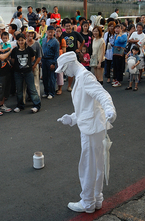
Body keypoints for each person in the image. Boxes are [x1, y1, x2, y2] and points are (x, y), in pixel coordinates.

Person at [55, 51, 117, 214]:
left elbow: (102, 95)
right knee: (96, 164)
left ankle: (88, 202)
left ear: (68, 65)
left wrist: (110, 109)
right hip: (93, 126)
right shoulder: (81, 77)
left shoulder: (85, 77)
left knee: (88, 165)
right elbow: (87, 106)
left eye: (63, 69)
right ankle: (96, 199)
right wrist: (72, 118)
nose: (64, 72)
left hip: (91, 128)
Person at [10, 34, 41, 113]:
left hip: (28, 72)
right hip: (18, 73)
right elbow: (13, 60)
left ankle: (37, 105)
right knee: (19, 90)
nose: (21, 42)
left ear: (25, 40)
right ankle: (20, 105)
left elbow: (33, 58)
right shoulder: (15, 50)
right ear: (17, 41)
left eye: (22, 40)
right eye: (19, 40)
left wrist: (30, 66)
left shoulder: (29, 49)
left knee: (32, 89)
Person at [62, 19, 84, 91]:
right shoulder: (63, 34)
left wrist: (79, 49)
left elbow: (83, 40)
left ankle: (69, 86)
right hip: (65, 54)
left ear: (71, 26)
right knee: (64, 70)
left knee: (71, 71)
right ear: (64, 27)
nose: (68, 27)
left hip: (73, 54)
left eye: (69, 26)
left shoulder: (75, 33)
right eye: (66, 26)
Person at [41, 26, 60, 99]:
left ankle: (51, 93)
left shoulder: (55, 42)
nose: (50, 33)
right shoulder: (43, 40)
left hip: (51, 60)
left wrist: (54, 63)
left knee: (51, 77)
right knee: (45, 77)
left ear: (54, 32)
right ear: (46, 32)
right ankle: (46, 91)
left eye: (52, 32)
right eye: (49, 32)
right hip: (44, 60)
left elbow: (56, 54)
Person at [55, 26, 67, 95]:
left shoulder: (62, 40)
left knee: (60, 73)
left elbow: (64, 50)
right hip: (53, 58)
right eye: (56, 31)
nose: (58, 32)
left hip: (60, 58)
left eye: (59, 31)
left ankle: (60, 88)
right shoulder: (52, 39)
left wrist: (57, 51)